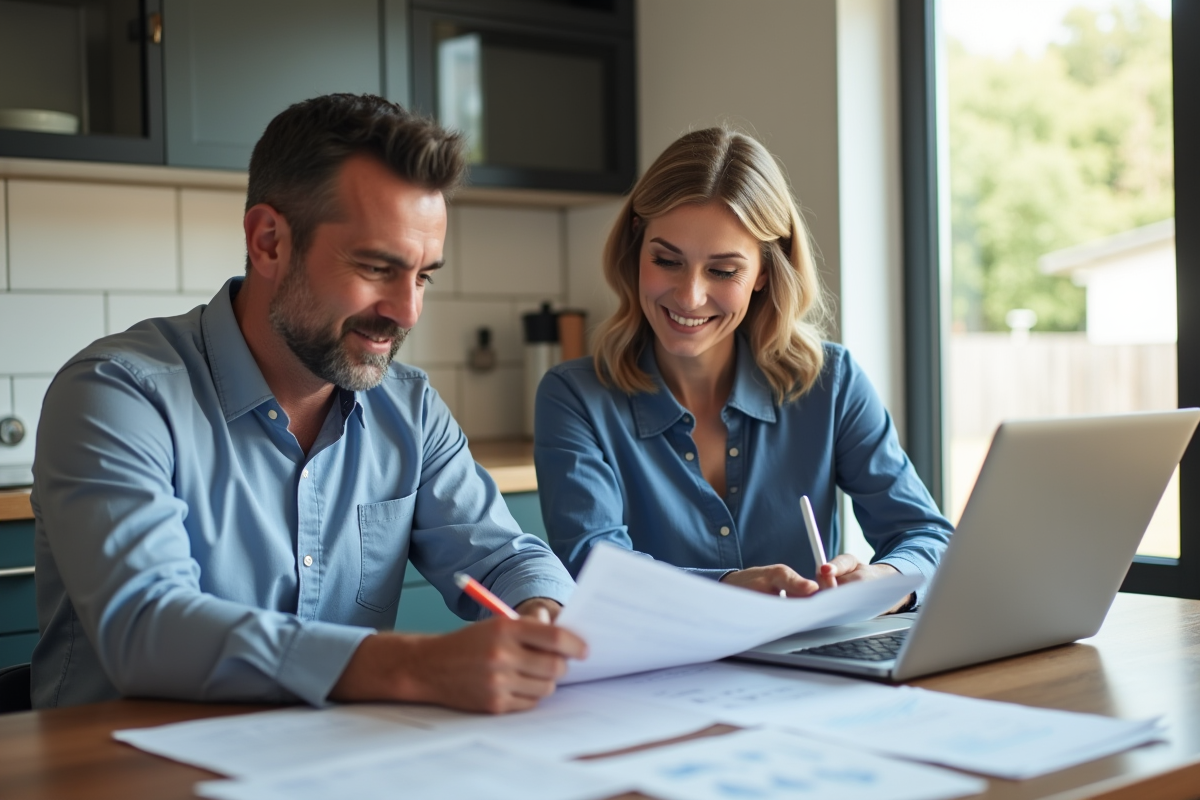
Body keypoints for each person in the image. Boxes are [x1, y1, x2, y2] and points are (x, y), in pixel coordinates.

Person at [31, 94, 585, 712]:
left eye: (424, 276)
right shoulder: (118, 392)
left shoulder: (410, 407)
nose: (407, 311)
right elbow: (147, 628)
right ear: (269, 241)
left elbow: (506, 554)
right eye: (378, 267)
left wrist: (544, 611)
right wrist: (415, 665)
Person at [535, 127, 952, 607]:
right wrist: (726, 589)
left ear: (764, 273)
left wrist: (887, 579)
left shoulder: (831, 383)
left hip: (818, 671)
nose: (690, 295)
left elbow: (927, 535)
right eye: (666, 260)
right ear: (636, 251)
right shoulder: (574, 397)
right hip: (659, 673)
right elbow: (593, 565)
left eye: (723, 270)